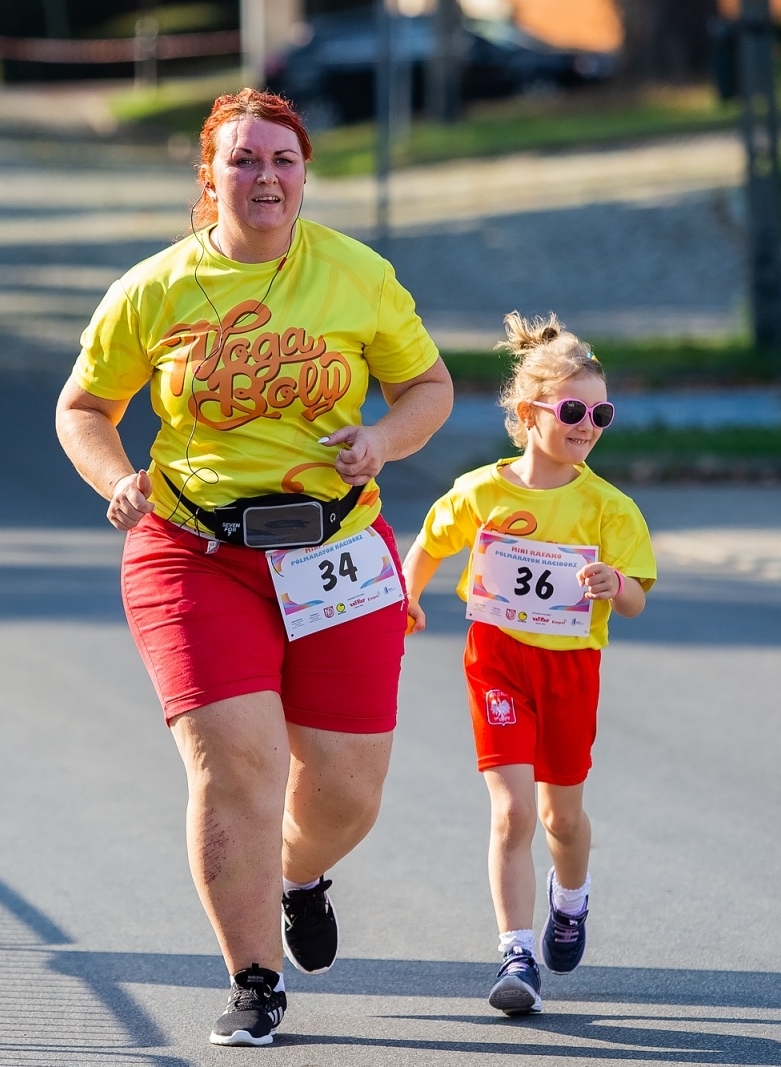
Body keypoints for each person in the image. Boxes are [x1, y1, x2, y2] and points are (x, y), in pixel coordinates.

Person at [55, 88, 453, 1047]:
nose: (264, 175)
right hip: (196, 551)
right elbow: (84, 407)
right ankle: (253, 977)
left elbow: (429, 385)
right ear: (210, 176)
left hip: (338, 549)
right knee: (237, 764)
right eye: (243, 159)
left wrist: (386, 439)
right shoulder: (154, 289)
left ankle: (297, 875)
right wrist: (116, 478)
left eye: (281, 158)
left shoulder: (356, 275)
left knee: (347, 789)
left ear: (305, 173)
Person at [402, 311, 656, 1017]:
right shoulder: (483, 490)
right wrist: (406, 596)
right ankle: (516, 952)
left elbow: (635, 599)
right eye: (573, 409)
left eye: (600, 411)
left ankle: (569, 900)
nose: (587, 424)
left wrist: (615, 584)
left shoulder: (609, 508)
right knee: (512, 811)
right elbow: (428, 541)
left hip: (571, 670)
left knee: (561, 819)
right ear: (527, 412)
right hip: (498, 661)